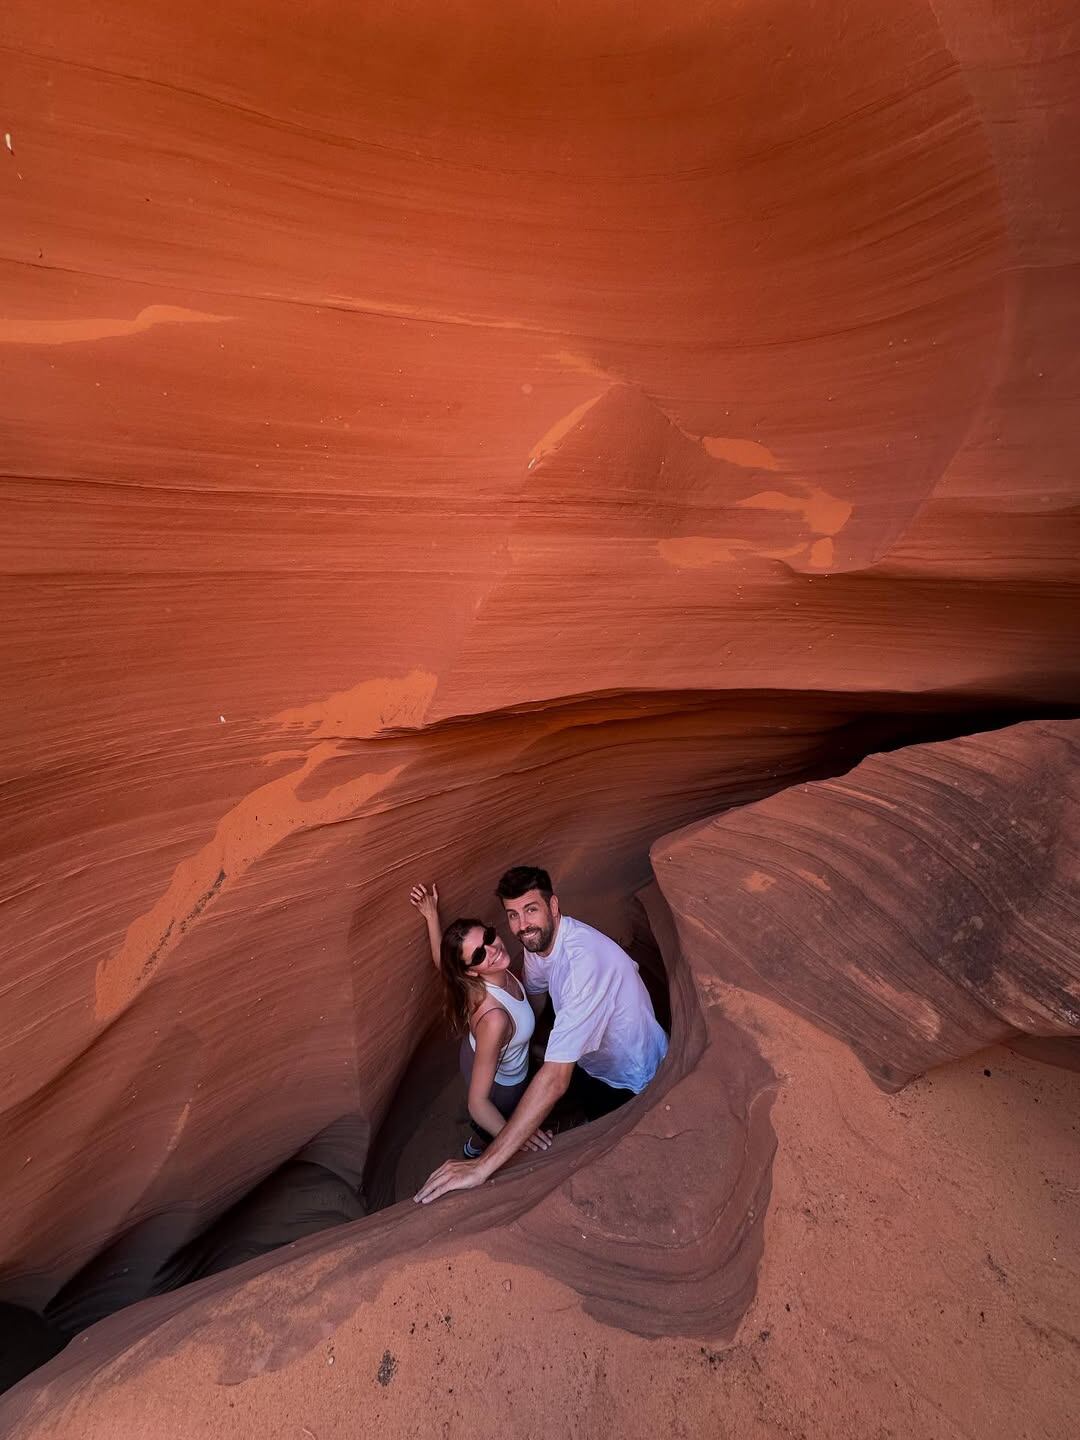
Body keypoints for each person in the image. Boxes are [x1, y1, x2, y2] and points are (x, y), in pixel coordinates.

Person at [415, 865, 668, 1204]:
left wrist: (482, 1168)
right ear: (471, 970)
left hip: (629, 1073)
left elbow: (555, 1078)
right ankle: (480, 1142)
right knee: (524, 1119)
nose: (522, 926)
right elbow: (520, 995)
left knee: (614, 1145)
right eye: (513, 915)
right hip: (570, 1065)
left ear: (554, 906)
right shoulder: (525, 963)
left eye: (531, 910)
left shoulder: (580, 967)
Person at [409, 883, 551, 1159]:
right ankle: (475, 1147)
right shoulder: (494, 1018)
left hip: (475, 1053)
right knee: (493, 1121)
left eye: (487, 936)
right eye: (478, 955)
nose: (492, 949)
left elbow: (445, 965)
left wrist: (431, 916)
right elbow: (478, 1103)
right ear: (471, 971)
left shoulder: (475, 982)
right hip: (503, 1084)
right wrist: (517, 1133)